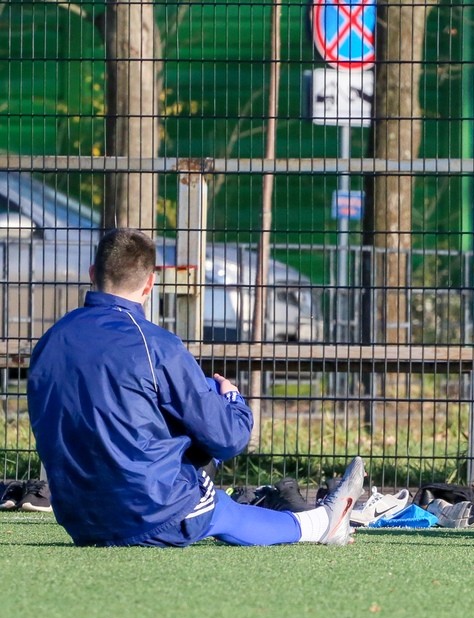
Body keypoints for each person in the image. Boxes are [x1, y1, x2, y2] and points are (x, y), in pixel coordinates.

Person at [26, 227, 364, 547]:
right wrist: (233, 399)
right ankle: (322, 523)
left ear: (92, 273)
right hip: (148, 513)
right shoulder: (156, 344)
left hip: (78, 519)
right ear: (150, 283)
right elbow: (228, 438)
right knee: (214, 503)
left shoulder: (49, 341)